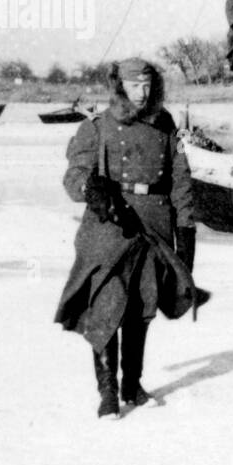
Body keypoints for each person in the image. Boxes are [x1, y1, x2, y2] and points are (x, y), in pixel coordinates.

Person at [53, 58, 208, 419]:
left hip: (154, 222)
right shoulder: (98, 127)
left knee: (142, 306)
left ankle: (132, 384)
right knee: (107, 305)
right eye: (135, 85)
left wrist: (185, 233)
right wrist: (94, 189)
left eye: (148, 84)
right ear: (119, 86)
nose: (144, 91)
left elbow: (180, 181)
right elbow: (73, 176)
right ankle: (107, 392)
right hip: (110, 227)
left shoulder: (165, 124)